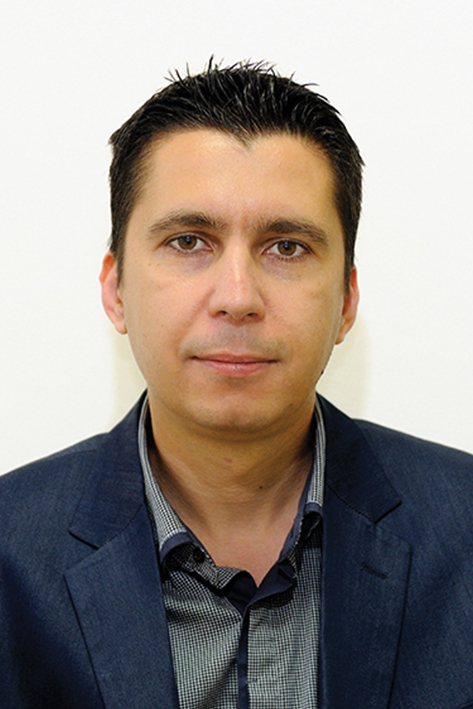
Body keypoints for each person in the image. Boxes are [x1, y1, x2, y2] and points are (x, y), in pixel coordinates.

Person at [1, 61, 473, 709]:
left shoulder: (463, 528)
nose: (238, 297)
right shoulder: (10, 549)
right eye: (188, 240)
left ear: (345, 300)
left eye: (286, 247)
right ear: (115, 289)